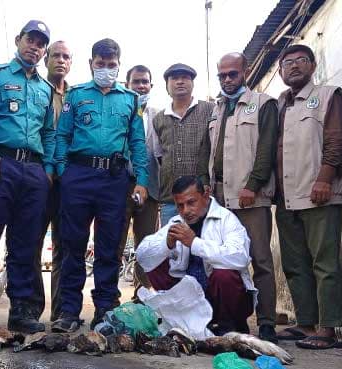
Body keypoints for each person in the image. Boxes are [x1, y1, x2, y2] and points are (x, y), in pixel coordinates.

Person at [51, 38, 149, 333]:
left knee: (109, 248)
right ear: (91, 63)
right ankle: (69, 311)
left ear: (119, 65)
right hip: (78, 177)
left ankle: (105, 308)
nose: (106, 69)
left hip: (113, 181)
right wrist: (62, 172)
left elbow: (137, 143)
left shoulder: (131, 100)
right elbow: (62, 136)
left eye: (111, 65)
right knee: (72, 245)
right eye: (100, 64)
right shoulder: (76, 95)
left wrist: (142, 180)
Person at [0, 20, 55, 334]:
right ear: (19, 40)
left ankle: (20, 310)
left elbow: (49, 132)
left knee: (25, 244)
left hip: (33, 170)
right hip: (1, 163)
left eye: (41, 44)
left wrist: (47, 171)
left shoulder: (46, 89)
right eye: (31, 40)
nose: (35, 47)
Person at [273, 44, 342, 349]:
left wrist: (324, 178)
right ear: (280, 71)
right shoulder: (280, 103)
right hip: (286, 197)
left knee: (325, 263)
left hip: (318, 192)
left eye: (300, 61)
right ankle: (305, 324)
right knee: (294, 263)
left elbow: (336, 140)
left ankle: (328, 329)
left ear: (313, 65)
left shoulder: (328, 95)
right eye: (287, 63)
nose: (293, 67)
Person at [209, 53, 279, 342]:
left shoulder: (263, 103)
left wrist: (253, 185)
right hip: (221, 197)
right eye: (222, 75)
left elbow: (266, 149)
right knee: (223, 262)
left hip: (252, 196)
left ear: (246, 72)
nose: (227, 80)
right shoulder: (217, 108)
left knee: (260, 261)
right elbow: (210, 153)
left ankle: (266, 324)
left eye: (233, 74)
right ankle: (232, 320)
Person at [136, 176, 256, 335]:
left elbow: (240, 257)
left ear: (205, 196)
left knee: (224, 275)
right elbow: (142, 257)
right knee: (155, 262)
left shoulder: (226, 219)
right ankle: (185, 322)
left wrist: (194, 243)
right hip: (191, 302)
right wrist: (166, 244)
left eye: (191, 203)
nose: (186, 211)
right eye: (180, 205)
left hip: (226, 300)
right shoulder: (177, 222)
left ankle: (228, 325)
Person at [29, 40, 73, 322]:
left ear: (72, 63)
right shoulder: (35, 89)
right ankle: (30, 310)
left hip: (67, 182)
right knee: (31, 245)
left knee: (65, 247)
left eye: (66, 56)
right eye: (55, 55)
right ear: (46, 59)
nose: (60, 60)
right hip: (38, 177)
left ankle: (61, 313)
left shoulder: (78, 96)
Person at [117, 65, 160, 300]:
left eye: (145, 82)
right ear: (127, 85)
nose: (141, 86)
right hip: (121, 186)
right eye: (136, 82)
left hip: (150, 190)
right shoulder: (119, 112)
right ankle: (108, 298)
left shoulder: (158, 116)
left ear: (151, 86)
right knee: (116, 241)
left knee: (146, 246)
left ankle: (142, 295)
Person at [152, 63, 213, 226]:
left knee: (203, 246)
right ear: (167, 85)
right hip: (171, 200)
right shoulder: (158, 118)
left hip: (203, 197)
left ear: (192, 83)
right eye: (174, 78)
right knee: (173, 247)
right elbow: (160, 156)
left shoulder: (211, 110)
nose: (180, 82)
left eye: (185, 78)